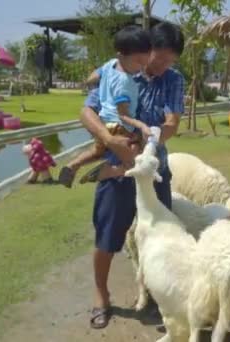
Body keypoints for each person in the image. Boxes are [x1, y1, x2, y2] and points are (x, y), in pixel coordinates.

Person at [79, 22, 185, 330]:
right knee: (108, 234)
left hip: (153, 170)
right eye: (160, 58)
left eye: (170, 61)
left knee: (160, 233)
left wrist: (150, 144)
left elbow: (172, 122)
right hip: (117, 167)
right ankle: (101, 295)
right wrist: (109, 139)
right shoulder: (118, 71)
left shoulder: (173, 80)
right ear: (146, 49)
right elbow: (87, 111)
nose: (164, 65)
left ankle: (156, 293)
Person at [58, 26, 152, 188]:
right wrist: (142, 126)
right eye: (138, 62)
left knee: (97, 150)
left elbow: (93, 76)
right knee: (138, 152)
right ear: (121, 56)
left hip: (103, 122)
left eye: (144, 62)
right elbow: (123, 115)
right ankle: (110, 171)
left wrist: (90, 83)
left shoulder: (110, 65)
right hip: (120, 126)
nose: (141, 68)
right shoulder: (125, 83)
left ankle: (72, 165)